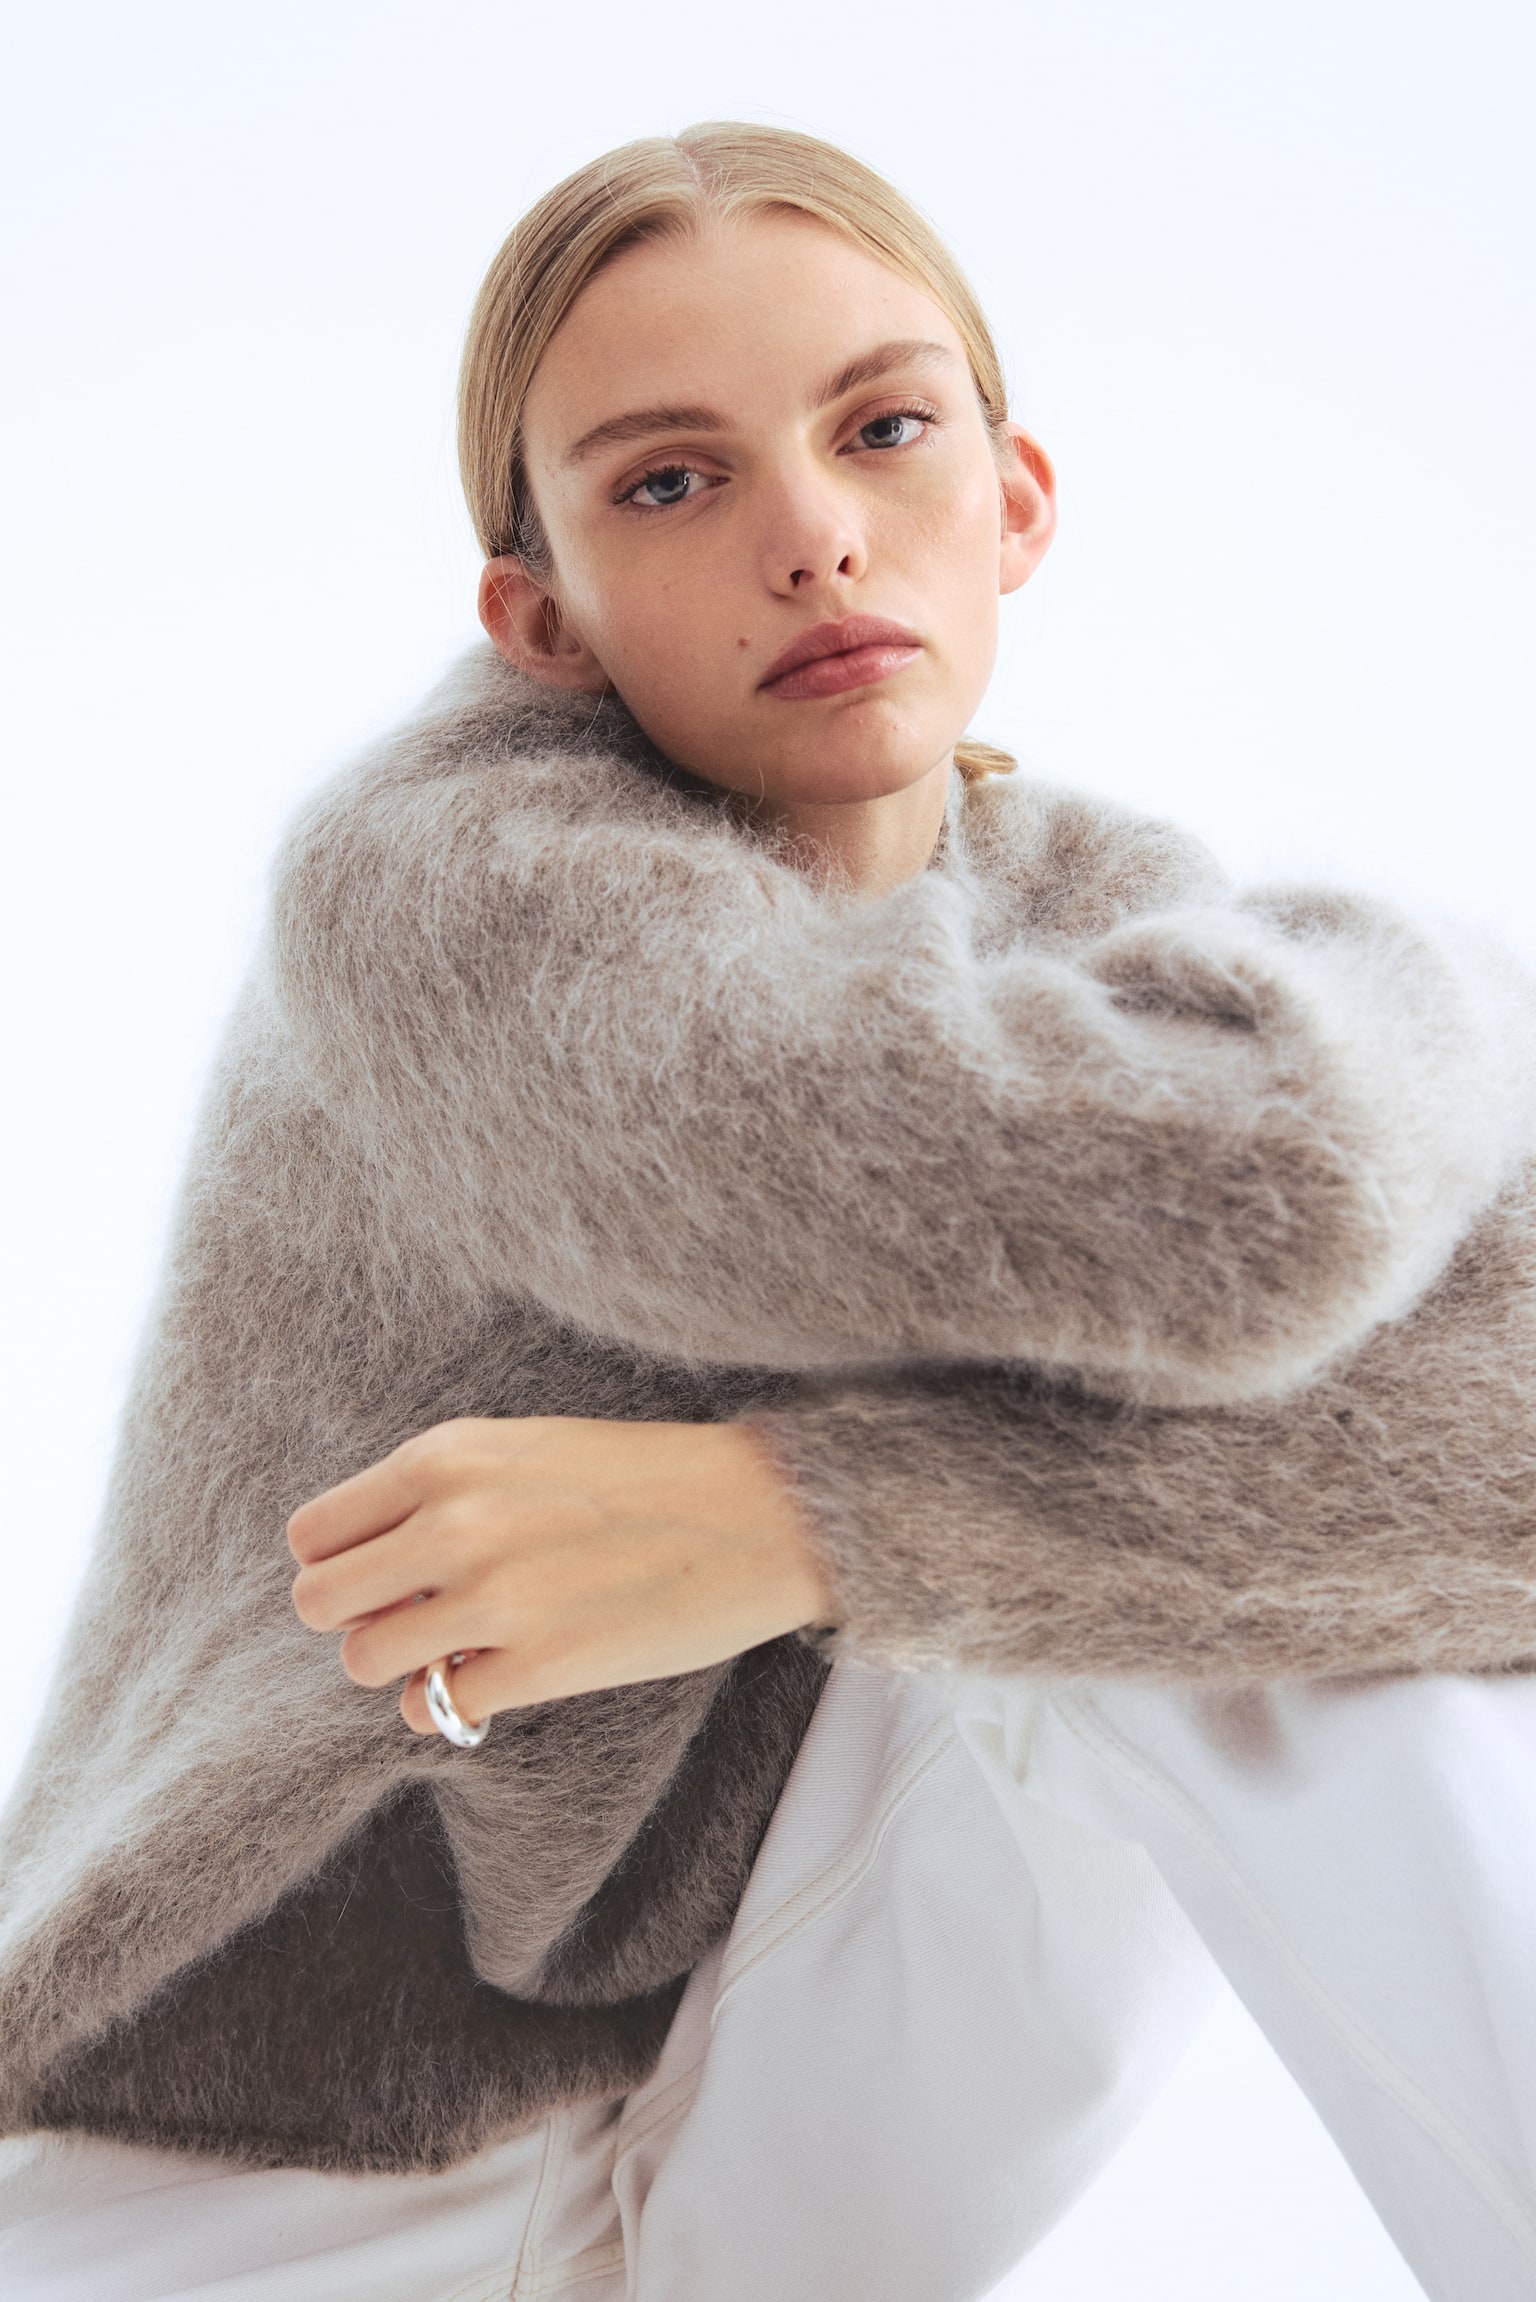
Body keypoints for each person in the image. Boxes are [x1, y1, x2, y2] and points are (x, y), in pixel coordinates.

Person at [1, 121, 1534, 2302]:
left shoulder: (1098, 912)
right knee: (1230, 1431)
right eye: (668, 481)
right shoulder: (452, 889)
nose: (811, 533)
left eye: (883, 429)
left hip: (785, 2084)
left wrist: (810, 1518)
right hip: (291, 2166)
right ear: (542, 617)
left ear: (1015, 498)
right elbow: (1264, 1200)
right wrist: (1477, 992)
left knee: (1260, 1543)